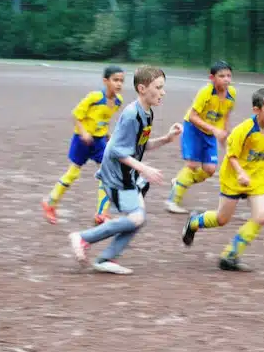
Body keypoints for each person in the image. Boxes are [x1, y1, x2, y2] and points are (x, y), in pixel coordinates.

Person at [68, 65, 182, 275]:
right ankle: (84, 238)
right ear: (142, 88)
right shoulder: (131, 115)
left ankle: (105, 258)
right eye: (158, 87)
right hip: (117, 175)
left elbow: (139, 146)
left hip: (127, 173)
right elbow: (118, 151)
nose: (163, 92)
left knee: (138, 219)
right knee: (136, 218)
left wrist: (166, 139)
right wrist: (143, 168)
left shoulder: (147, 114)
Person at [181, 88, 264, 272]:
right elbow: (231, 155)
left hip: (259, 177)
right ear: (256, 110)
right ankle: (194, 222)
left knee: (261, 217)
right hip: (233, 176)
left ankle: (230, 256)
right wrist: (240, 173)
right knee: (222, 219)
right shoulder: (244, 130)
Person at [41, 66, 125, 226]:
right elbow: (75, 115)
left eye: (121, 81)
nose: (119, 84)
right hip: (82, 140)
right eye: (115, 80)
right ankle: (50, 203)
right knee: (73, 173)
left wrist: (106, 134)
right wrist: (83, 133)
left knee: (108, 174)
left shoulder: (118, 101)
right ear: (105, 81)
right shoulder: (94, 97)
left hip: (99, 142)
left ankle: (102, 213)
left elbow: (104, 118)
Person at [165, 60, 236, 214]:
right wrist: (214, 129)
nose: (226, 79)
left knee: (210, 169)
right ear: (212, 78)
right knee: (192, 165)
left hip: (210, 133)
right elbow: (192, 116)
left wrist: (224, 132)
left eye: (229, 76)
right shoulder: (205, 92)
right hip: (193, 129)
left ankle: (180, 182)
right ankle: (172, 201)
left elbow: (226, 115)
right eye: (222, 76)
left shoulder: (232, 94)